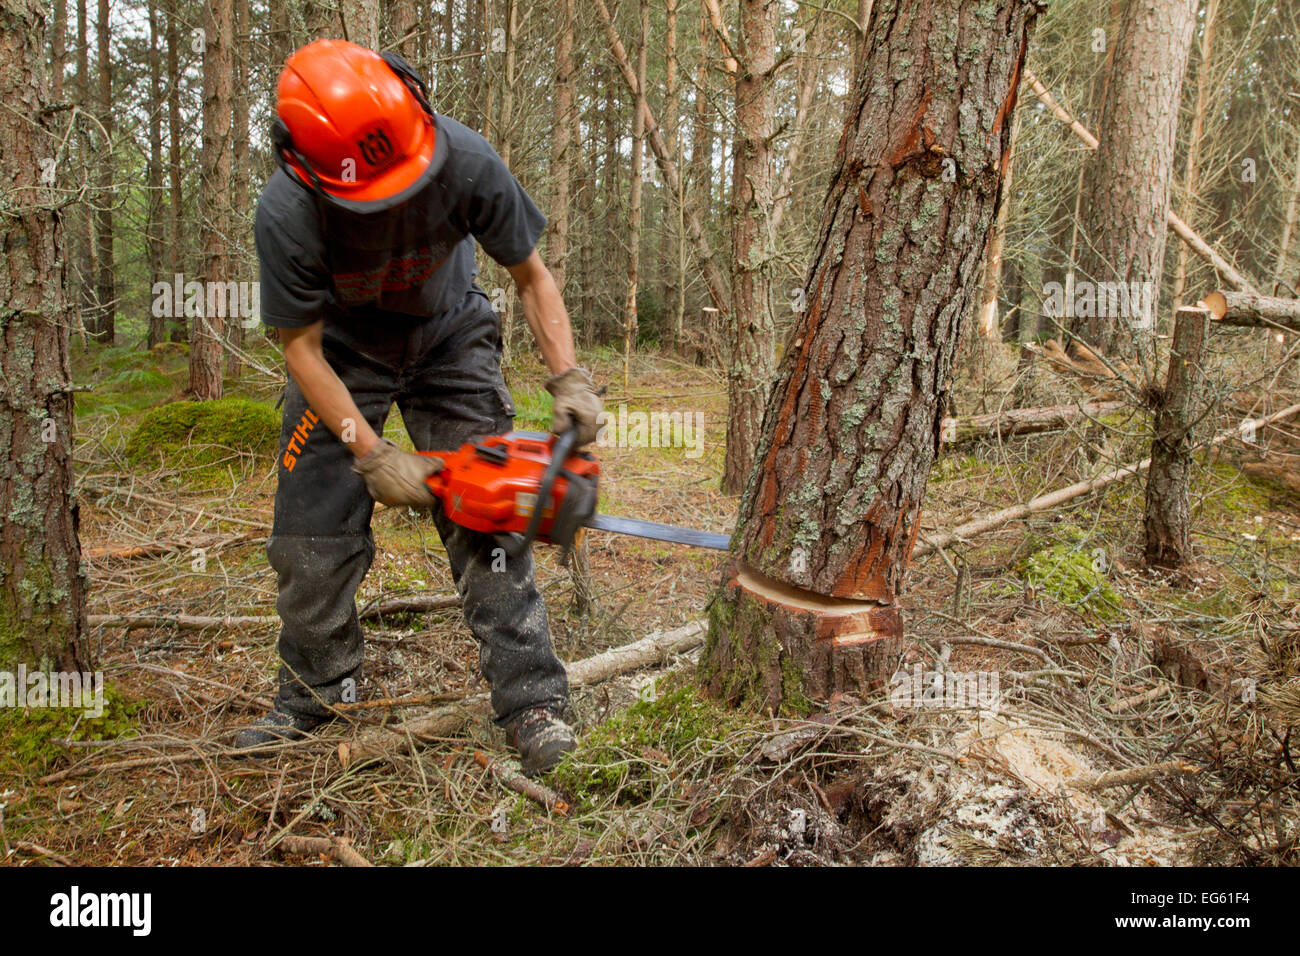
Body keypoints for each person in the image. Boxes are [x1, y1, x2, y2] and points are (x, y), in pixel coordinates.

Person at [236, 39, 601, 776]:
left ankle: (532, 699)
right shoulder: (286, 212)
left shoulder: (465, 159)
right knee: (311, 534)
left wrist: (568, 378)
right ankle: (313, 693)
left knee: (492, 510)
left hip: (450, 333)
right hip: (340, 350)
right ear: (306, 166)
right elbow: (301, 349)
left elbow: (530, 275)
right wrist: (368, 451)